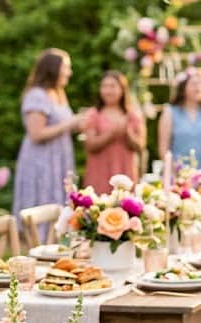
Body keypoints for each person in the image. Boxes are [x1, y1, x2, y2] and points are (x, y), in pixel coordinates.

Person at [13, 49, 86, 233]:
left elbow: (60, 125)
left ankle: (56, 242)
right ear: (53, 69)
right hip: (42, 161)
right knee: (42, 202)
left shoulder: (59, 93)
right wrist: (70, 122)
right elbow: (36, 134)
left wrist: (79, 124)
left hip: (59, 159)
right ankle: (38, 243)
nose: (69, 72)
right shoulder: (37, 95)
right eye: (66, 67)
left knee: (60, 203)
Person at [83, 71, 146, 193]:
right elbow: (90, 145)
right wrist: (112, 133)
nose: (108, 91)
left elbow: (140, 146)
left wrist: (127, 133)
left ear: (122, 90)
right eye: (104, 86)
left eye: (112, 86)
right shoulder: (93, 114)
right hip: (100, 172)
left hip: (125, 170)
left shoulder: (133, 114)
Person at [157, 67, 201, 167]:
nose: (198, 88)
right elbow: (163, 149)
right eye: (193, 84)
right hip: (179, 175)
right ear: (183, 88)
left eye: (200, 84)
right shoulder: (170, 112)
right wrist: (174, 172)